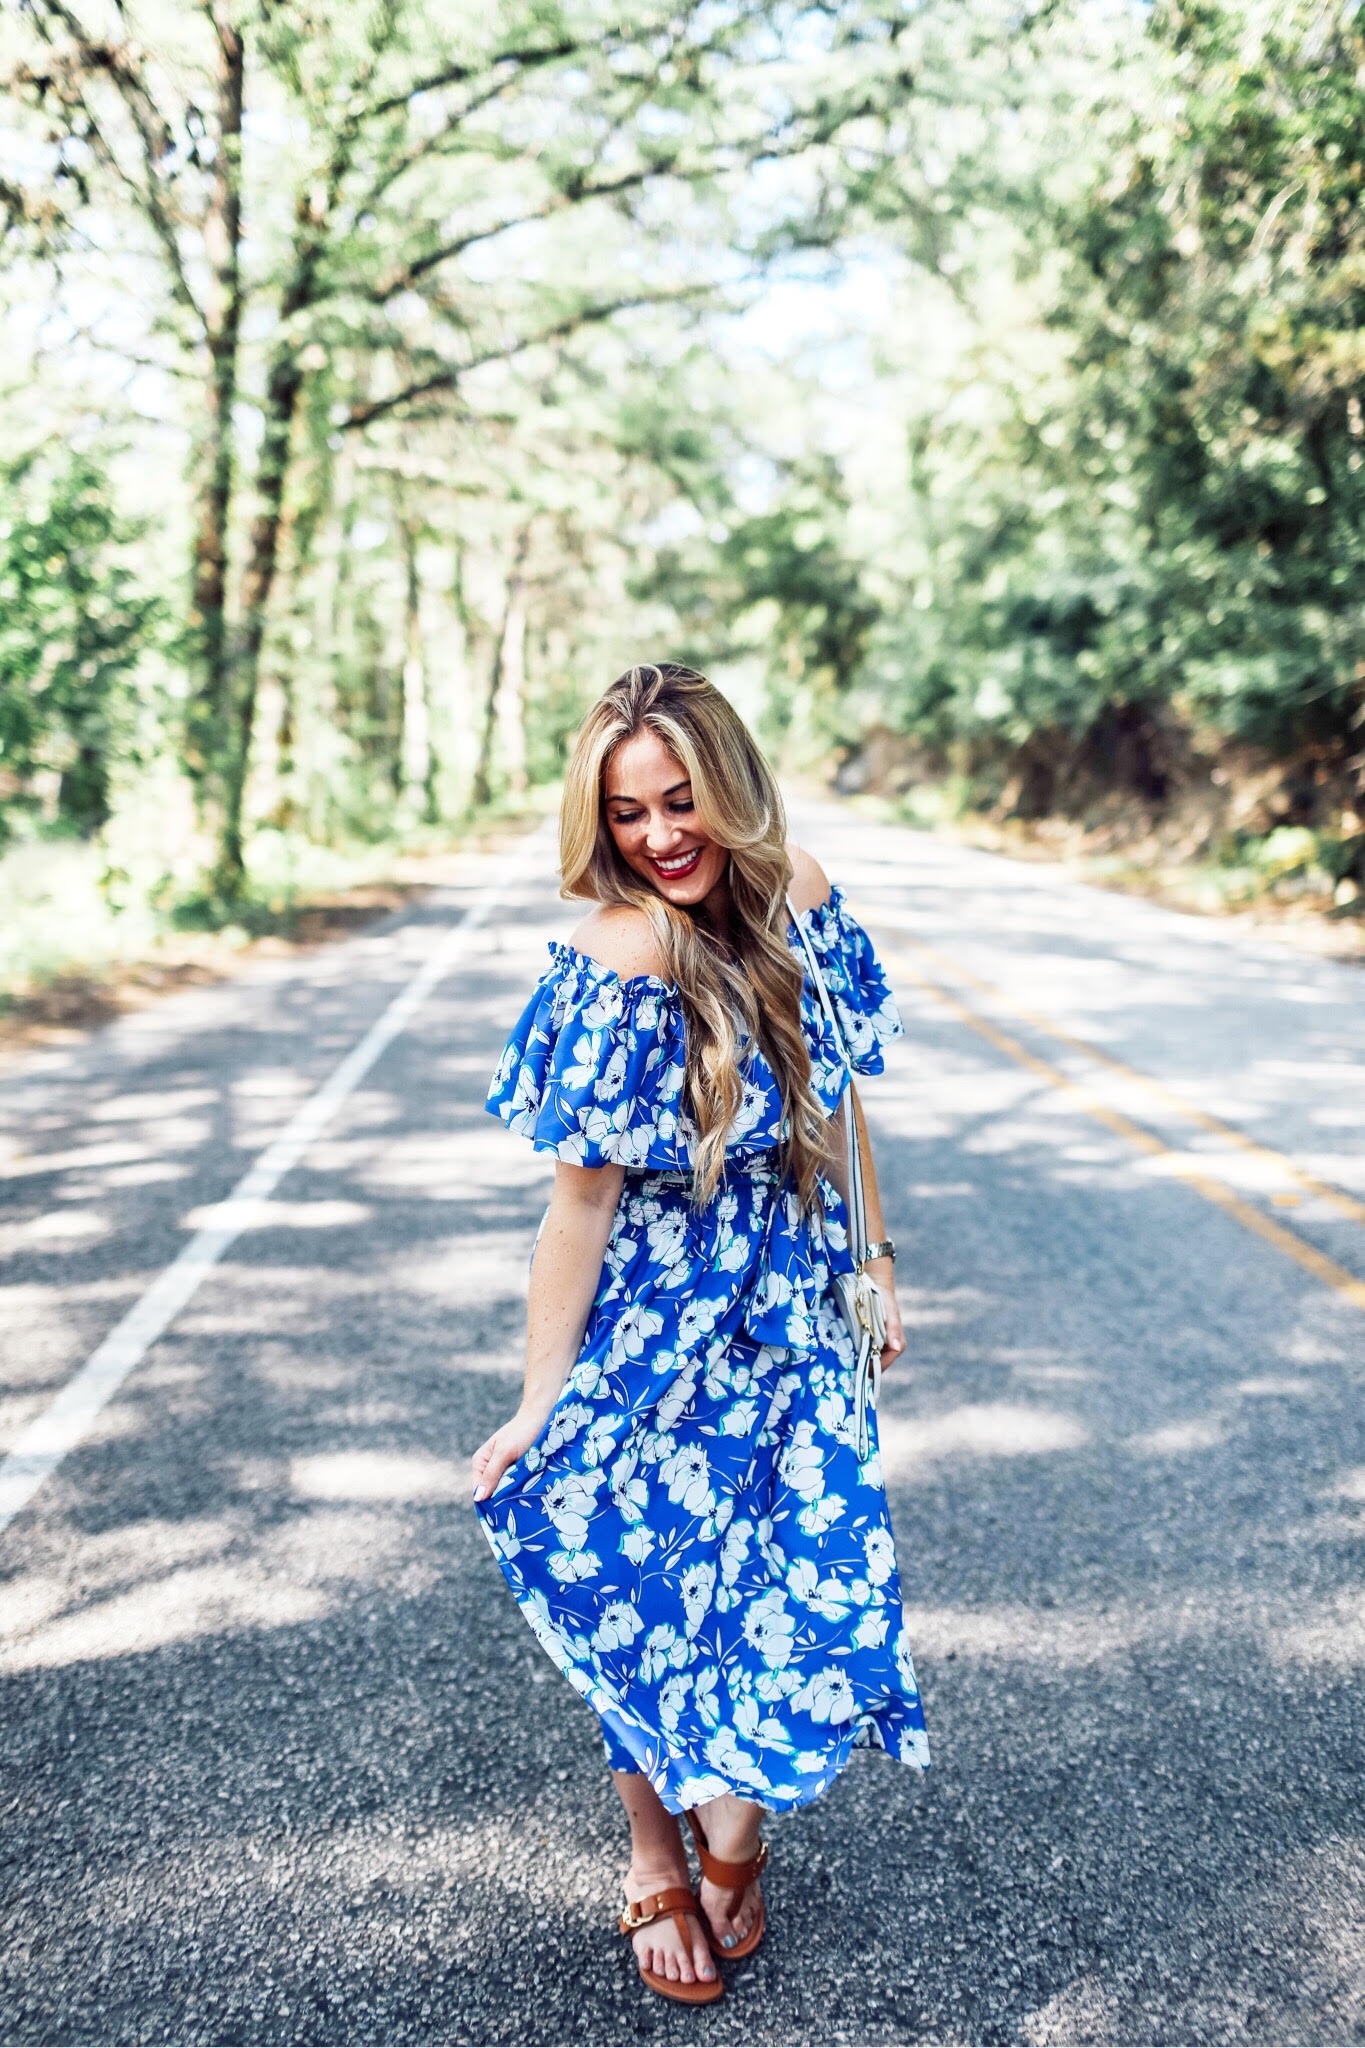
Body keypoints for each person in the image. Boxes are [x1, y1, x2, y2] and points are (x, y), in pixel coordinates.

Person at [471, 662, 929, 2005]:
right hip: (658, 1316)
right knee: (647, 1578)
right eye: (626, 814)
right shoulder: (617, 957)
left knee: (795, 1572)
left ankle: (733, 1837)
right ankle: (648, 1843)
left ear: (728, 790)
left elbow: (837, 1103)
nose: (660, 836)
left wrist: (877, 1261)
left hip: (790, 1303)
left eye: (681, 801)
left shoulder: (800, 895)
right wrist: (537, 1397)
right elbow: (577, 1206)